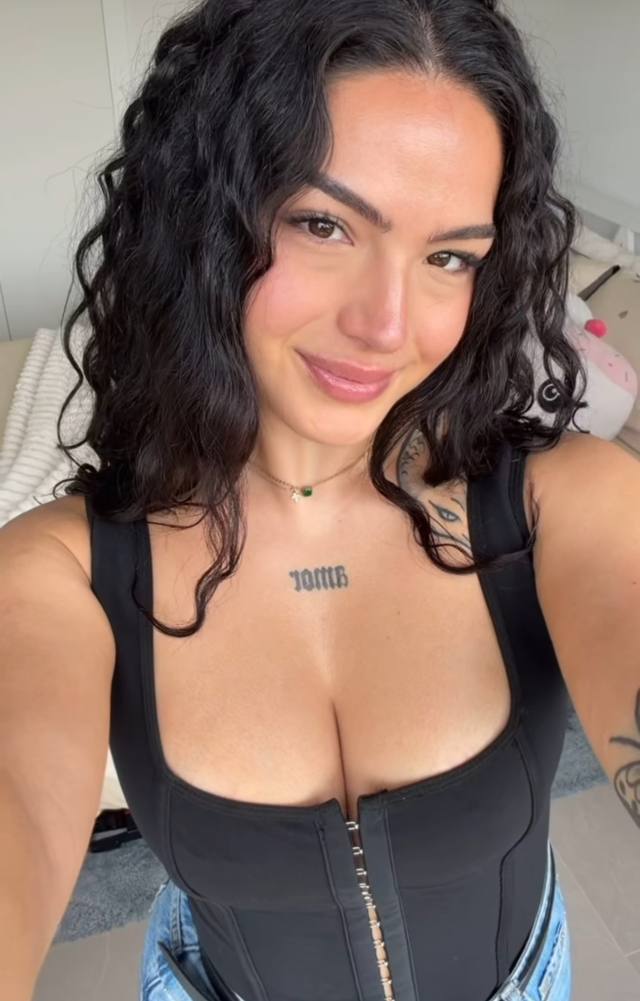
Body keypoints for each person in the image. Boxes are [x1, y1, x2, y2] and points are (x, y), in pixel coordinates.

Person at [5, 0, 618, 998]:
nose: (387, 325)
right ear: (206, 220)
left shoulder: (565, 502)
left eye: (449, 256)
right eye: (324, 224)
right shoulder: (61, 572)